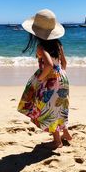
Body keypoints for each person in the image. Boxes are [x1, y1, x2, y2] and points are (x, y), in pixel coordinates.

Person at [18, 9, 72, 149]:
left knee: (49, 109)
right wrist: (60, 76)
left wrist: (41, 79)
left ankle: (57, 141)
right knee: (60, 106)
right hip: (62, 78)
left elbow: (47, 65)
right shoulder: (58, 44)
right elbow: (64, 63)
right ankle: (65, 133)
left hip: (50, 81)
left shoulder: (41, 47)